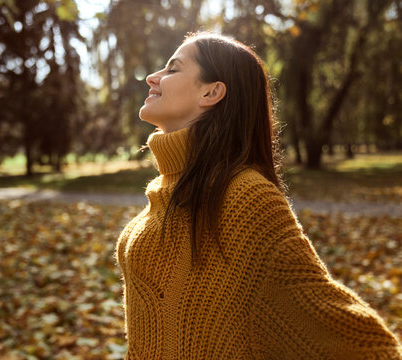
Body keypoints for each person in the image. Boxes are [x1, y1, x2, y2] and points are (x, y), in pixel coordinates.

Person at [114, 31, 402, 359]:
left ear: (211, 91)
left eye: (173, 69)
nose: (153, 77)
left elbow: (351, 339)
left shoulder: (247, 200)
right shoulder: (166, 193)